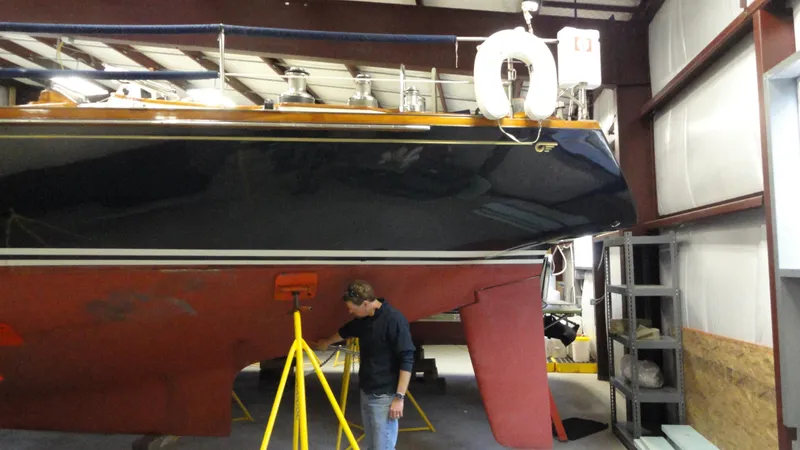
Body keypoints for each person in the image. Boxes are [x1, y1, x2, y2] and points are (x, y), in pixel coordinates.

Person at [312, 280, 415, 450]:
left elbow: (407, 358)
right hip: (367, 392)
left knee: (383, 447)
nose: (350, 311)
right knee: (373, 446)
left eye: (352, 307)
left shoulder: (394, 320)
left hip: (384, 396)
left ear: (366, 303)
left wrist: (399, 398)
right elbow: (345, 331)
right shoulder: (365, 319)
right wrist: (327, 342)